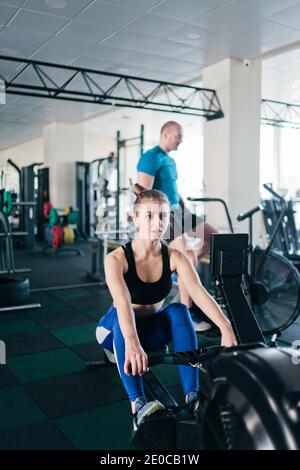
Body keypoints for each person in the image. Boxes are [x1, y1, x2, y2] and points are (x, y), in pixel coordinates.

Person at [96, 184, 237, 430]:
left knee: (180, 310)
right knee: (122, 316)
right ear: (135, 219)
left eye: (162, 216)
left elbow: (198, 293)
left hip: (151, 332)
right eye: (149, 216)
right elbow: (122, 304)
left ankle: (193, 396)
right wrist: (133, 343)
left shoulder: (174, 257)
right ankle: (138, 405)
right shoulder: (116, 259)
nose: (157, 222)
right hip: (114, 331)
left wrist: (226, 327)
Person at [137, 121, 217, 330]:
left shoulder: (170, 160)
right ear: (165, 134)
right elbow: (142, 192)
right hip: (167, 215)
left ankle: (182, 285)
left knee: (213, 237)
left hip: (180, 212)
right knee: (187, 259)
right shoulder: (150, 157)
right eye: (178, 136)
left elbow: (173, 189)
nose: (180, 140)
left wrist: (185, 208)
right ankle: (186, 312)